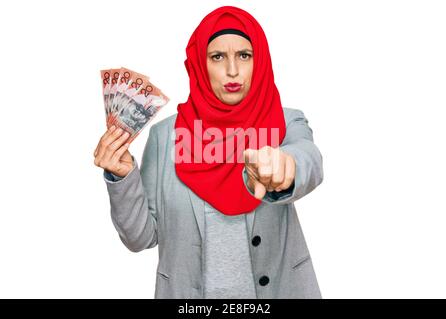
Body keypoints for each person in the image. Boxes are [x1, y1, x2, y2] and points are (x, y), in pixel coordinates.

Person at [93, 6, 324, 299]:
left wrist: (286, 166)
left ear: (260, 60)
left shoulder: (284, 121)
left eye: (244, 55)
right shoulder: (166, 136)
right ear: (201, 65)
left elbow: (309, 157)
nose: (232, 70)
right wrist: (122, 177)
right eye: (218, 57)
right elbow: (141, 238)